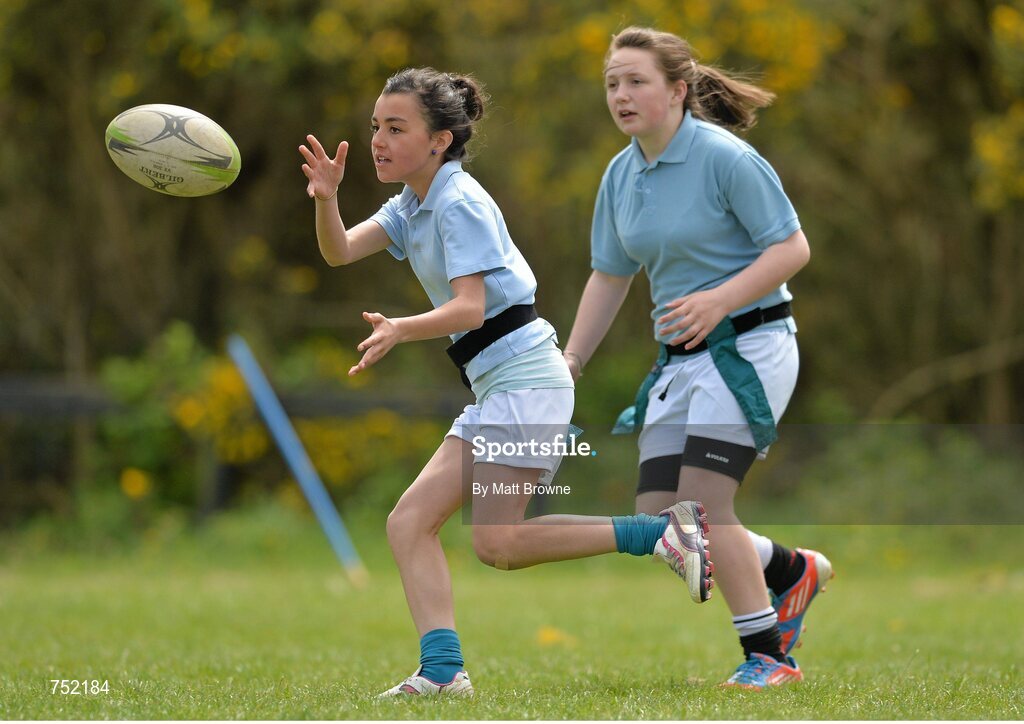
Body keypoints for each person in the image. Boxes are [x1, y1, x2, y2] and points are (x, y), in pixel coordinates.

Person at [299, 67, 713, 698]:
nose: (379, 141)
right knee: (429, 527)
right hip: (504, 386)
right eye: (375, 127)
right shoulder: (413, 203)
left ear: (439, 140)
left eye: (396, 128)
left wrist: (401, 328)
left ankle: (661, 533)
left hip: (525, 383)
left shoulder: (458, 202)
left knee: (492, 540)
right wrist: (328, 199)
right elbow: (338, 252)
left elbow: (469, 308)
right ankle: (442, 673)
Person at [562, 27, 834, 689]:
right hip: (679, 361)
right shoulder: (621, 173)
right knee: (665, 523)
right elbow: (610, 275)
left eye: (636, 81)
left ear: (678, 90)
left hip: (752, 345)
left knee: (705, 507)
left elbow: (792, 248)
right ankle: (788, 570)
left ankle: (769, 658)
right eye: (612, 84)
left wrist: (720, 300)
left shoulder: (725, 158)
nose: (620, 95)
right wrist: (569, 361)